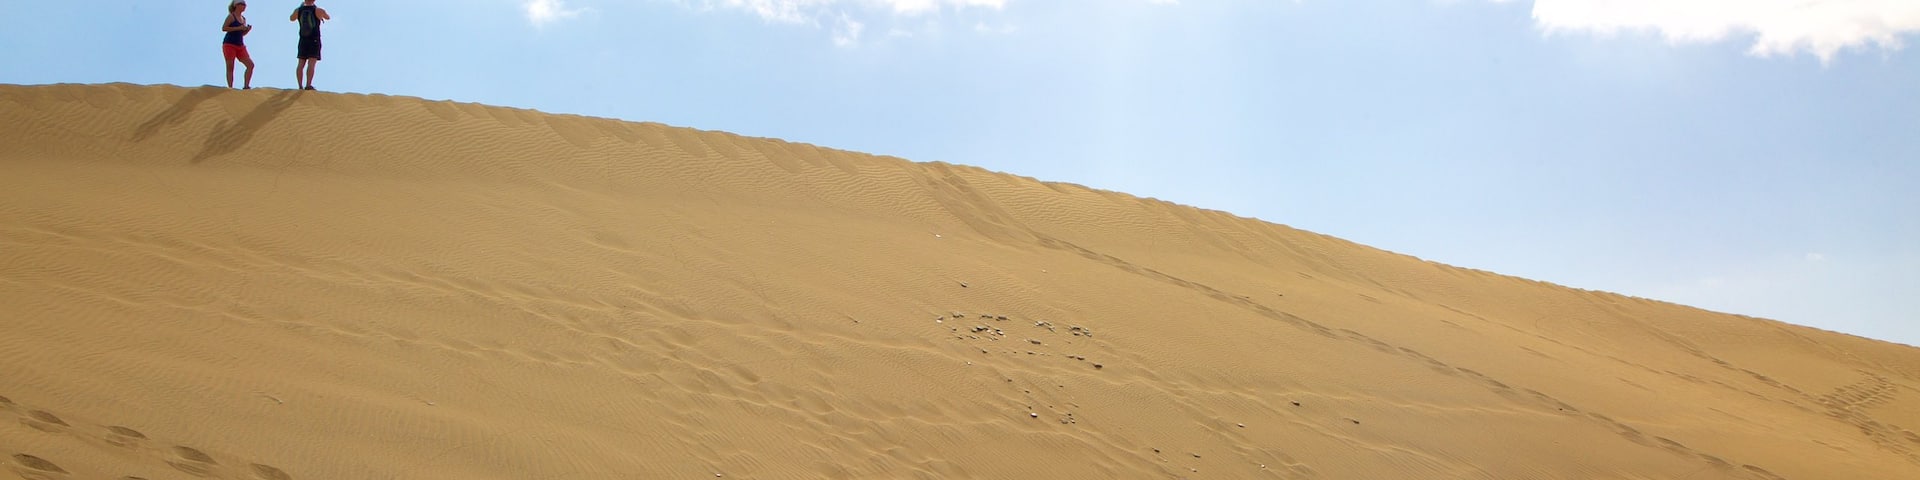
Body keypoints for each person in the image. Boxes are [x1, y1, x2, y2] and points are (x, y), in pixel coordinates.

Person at [290, 0, 331, 91]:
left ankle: (300, 86)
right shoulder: (318, 10)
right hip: (314, 40)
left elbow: (291, 18)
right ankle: (308, 85)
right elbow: (328, 17)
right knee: (311, 63)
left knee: (301, 63)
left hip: (303, 39)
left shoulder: (298, 10)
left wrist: (300, 8)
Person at [221, 0, 254, 89]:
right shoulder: (231, 17)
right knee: (230, 66)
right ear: (236, 5)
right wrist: (239, 27)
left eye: (245, 5)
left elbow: (241, 34)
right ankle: (230, 88)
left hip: (240, 45)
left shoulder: (243, 19)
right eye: (242, 4)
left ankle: (246, 86)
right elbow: (224, 28)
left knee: (250, 65)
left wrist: (247, 30)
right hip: (229, 44)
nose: (244, 6)